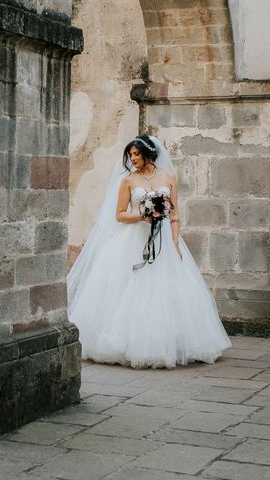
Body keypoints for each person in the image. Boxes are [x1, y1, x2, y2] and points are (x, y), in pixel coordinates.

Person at [67, 135, 231, 369]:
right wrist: (141, 216)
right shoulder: (128, 181)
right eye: (130, 155)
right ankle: (124, 341)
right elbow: (120, 214)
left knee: (166, 289)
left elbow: (174, 215)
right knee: (128, 289)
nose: (132, 159)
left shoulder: (169, 177)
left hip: (162, 239)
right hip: (132, 239)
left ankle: (169, 341)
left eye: (136, 154)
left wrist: (174, 243)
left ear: (148, 153)